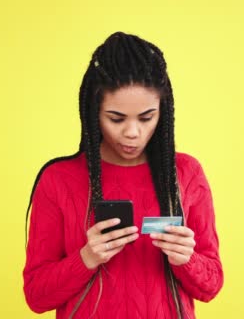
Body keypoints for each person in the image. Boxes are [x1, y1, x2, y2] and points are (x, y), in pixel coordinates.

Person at [23, 31, 224, 319]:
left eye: (146, 117)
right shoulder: (58, 180)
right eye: (116, 118)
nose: (132, 132)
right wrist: (86, 259)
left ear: (162, 113)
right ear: (93, 111)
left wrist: (187, 260)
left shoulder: (186, 173)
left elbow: (212, 286)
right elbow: (36, 296)